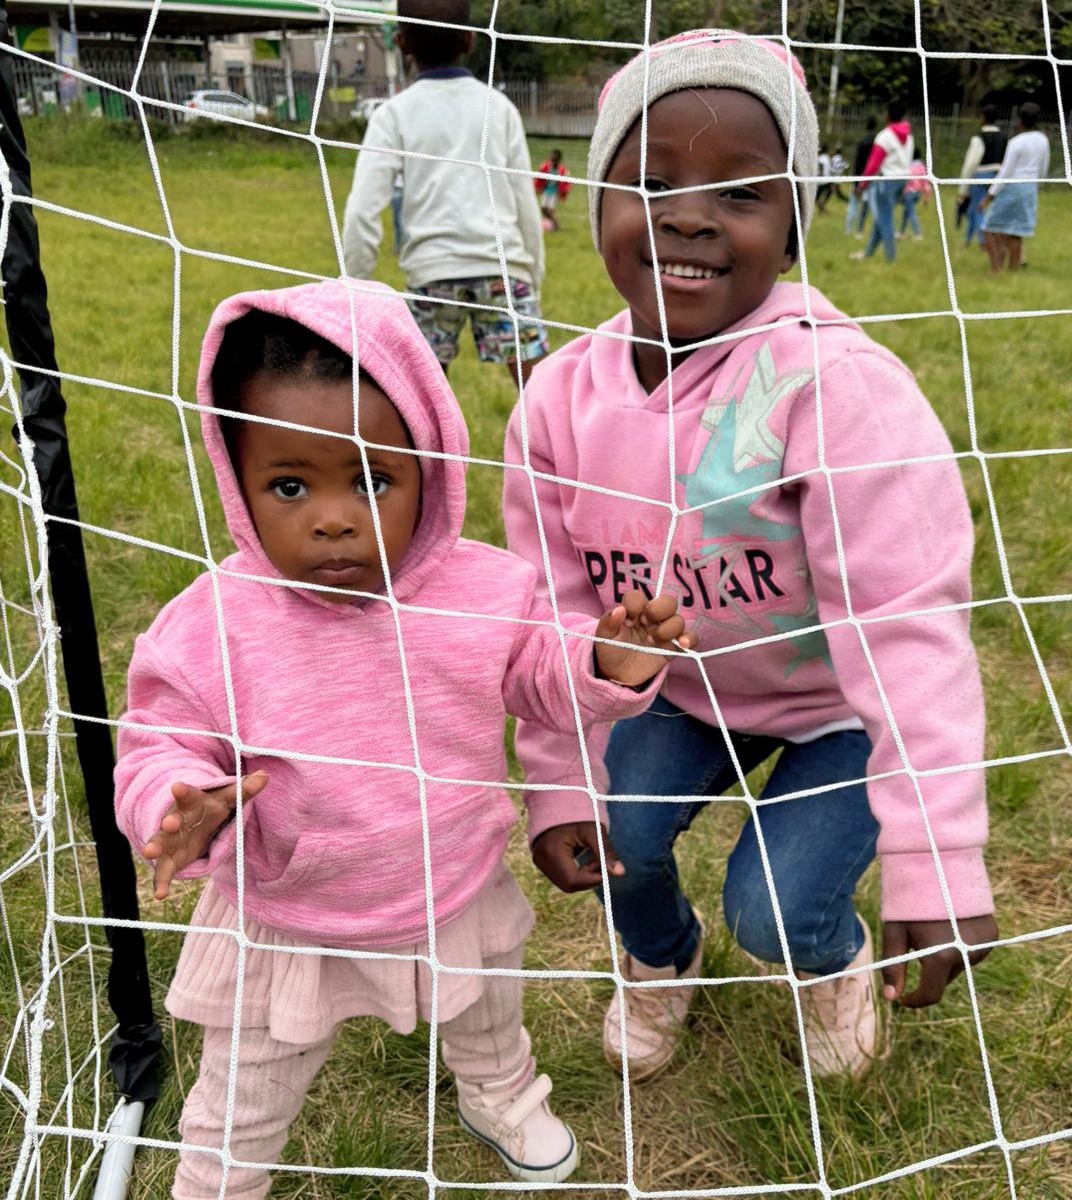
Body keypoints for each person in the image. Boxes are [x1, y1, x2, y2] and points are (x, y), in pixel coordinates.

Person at [115, 279, 695, 1196]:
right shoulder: (213, 620)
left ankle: (500, 1094)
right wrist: (177, 801)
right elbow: (157, 737)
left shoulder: (484, 590)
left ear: (431, 468)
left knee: (488, 1017)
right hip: (291, 908)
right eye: (291, 485)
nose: (335, 515)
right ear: (237, 479)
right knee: (248, 1087)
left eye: (373, 480)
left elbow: (539, 678)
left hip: (451, 874)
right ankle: (218, 1175)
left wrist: (609, 660)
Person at [502, 31, 998, 1086]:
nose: (687, 214)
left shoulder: (832, 386)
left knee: (773, 909)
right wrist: (555, 786)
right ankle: (659, 956)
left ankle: (831, 960)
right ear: (594, 202)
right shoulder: (558, 398)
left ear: (796, 223)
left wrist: (936, 857)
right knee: (616, 836)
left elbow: (909, 622)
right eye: (649, 182)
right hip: (678, 693)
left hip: (834, 712)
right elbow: (546, 606)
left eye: (739, 193)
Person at [341, 0, 547, 389]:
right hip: (503, 272)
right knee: (541, 399)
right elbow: (524, 200)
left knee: (420, 408)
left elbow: (363, 210)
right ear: (470, 40)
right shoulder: (498, 108)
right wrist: (532, 276)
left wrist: (356, 283)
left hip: (432, 278)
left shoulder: (394, 114)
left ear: (401, 43)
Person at [980, 102, 1050, 273]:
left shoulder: (1016, 142)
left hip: (1013, 187)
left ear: (1019, 121)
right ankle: (1013, 271)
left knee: (989, 228)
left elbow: (1006, 171)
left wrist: (989, 196)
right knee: (1016, 232)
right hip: (1030, 187)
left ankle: (996, 270)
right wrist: (1036, 185)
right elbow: (1044, 166)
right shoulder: (1043, 140)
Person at [850, 98, 914, 263]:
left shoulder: (885, 136)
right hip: (903, 180)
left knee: (885, 221)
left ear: (888, 115)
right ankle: (868, 254)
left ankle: (890, 260)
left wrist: (862, 185)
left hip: (887, 181)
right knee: (881, 219)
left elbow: (873, 165)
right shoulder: (909, 136)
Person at [958, 104, 1007, 247]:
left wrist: (963, 188)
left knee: (978, 209)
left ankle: (984, 241)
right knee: (978, 209)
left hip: (980, 176)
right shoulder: (1004, 138)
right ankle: (967, 240)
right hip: (999, 176)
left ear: (983, 117)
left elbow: (971, 164)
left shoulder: (978, 138)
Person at [844, 116, 877, 238]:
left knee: (853, 205)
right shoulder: (876, 144)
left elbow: (857, 162)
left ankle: (848, 230)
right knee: (867, 206)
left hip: (858, 177)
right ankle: (860, 230)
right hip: (871, 178)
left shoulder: (861, 143)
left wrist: (856, 182)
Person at [535, 148, 572, 232]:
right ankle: (554, 224)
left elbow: (566, 182)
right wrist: (538, 188)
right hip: (546, 190)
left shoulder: (562, 170)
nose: (552, 159)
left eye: (555, 158)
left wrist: (562, 192)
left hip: (555, 192)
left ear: (558, 159)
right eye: (552, 157)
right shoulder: (546, 166)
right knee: (543, 208)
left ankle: (555, 226)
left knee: (550, 209)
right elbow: (539, 177)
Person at [898, 150, 930, 240]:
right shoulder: (922, 167)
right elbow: (925, 183)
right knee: (906, 213)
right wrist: (926, 197)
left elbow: (907, 179)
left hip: (909, 193)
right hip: (917, 193)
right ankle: (901, 232)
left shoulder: (908, 166)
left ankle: (918, 233)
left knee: (911, 213)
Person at [815, 142, 833, 212]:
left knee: (816, 198)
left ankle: (823, 208)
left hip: (822, 181)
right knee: (827, 194)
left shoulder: (821, 158)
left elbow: (821, 171)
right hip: (828, 180)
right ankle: (823, 207)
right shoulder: (827, 158)